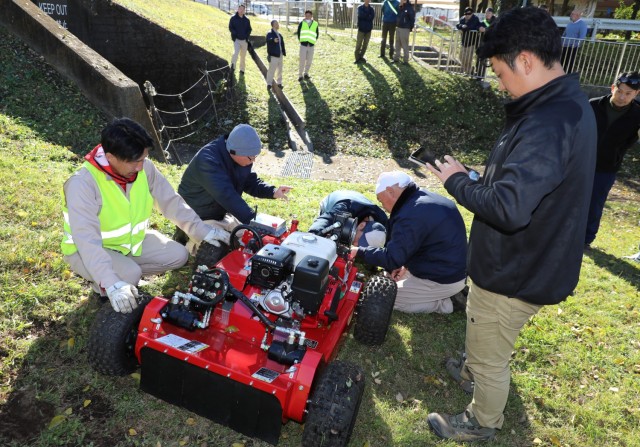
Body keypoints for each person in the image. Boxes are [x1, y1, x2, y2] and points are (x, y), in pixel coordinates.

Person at [424, 7, 597, 441]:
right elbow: (530, 186)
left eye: (500, 73)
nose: (501, 84)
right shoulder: (562, 105)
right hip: (522, 262)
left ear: (525, 60)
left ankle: (482, 420)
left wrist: (457, 182)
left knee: (491, 352)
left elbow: (509, 208)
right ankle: (472, 370)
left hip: (514, 273)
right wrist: (483, 178)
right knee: (483, 336)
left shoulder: (549, 121)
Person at [61, 118, 230, 313]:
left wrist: (203, 232)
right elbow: (87, 240)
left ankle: (122, 271)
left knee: (179, 255)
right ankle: (106, 284)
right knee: (130, 274)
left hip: (129, 243)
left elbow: (171, 202)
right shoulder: (82, 184)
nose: (140, 167)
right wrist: (111, 282)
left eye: (143, 159)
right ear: (111, 157)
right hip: (85, 251)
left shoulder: (145, 168)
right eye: (135, 161)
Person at [351, 171, 468, 314]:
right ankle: (446, 292)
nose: (383, 206)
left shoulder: (410, 215)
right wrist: (404, 264)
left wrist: (359, 251)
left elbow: (392, 258)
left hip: (441, 278)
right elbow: (423, 242)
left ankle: (446, 303)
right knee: (388, 280)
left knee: (382, 297)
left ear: (390, 192)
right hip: (447, 267)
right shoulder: (422, 199)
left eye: (381, 201)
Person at [177, 124, 292, 253]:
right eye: (251, 157)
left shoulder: (241, 156)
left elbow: (250, 181)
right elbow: (227, 196)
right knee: (220, 249)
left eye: (255, 156)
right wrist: (254, 221)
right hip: (197, 218)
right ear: (234, 151)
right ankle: (186, 241)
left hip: (221, 214)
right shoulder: (207, 161)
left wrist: (272, 191)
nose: (253, 161)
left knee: (251, 239)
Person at [585, 72, 640, 248]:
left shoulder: (638, 116)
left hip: (606, 168)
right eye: (620, 91)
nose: (622, 97)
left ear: (636, 94)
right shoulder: (593, 105)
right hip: (579, 163)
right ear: (613, 87)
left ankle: (586, 239)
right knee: (567, 200)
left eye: (628, 94)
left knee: (594, 205)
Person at [308, 190, 389, 245]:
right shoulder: (347, 207)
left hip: (358, 199)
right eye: (360, 241)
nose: (356, 245)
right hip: (337, 199)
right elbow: (327, 218)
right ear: (361, 225)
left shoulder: (384, 221)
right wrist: (313, 235)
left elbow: (392, 245)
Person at [456, 6, 481, 75]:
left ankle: (468, 72)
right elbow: (458, 25)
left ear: (472, 13)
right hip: (464, 41)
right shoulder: (462, 18)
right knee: (461, 57)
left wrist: (465, 27)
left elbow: (472, 26)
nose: (467, 15)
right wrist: (462, 26)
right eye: (465, 14)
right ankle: (470, 69)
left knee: (468, 59)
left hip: (472, 42)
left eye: (468, 14)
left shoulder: (475, 18)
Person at [561, 9, 587, 73]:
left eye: (572, 14)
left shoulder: (582, 24)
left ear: (577, 15)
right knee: (562, 62)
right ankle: (561, 75)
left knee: (570, 63)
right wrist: (561, 42)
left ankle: (568, 76)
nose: (570, 15)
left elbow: (582, 37)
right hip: (564, 46)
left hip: (572, 47)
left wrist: (575, 45)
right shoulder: (570, 23)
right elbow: (564, 34)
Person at [229, 5, 252, 75]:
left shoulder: (247, 20)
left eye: (243, 9)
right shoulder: (233, 18)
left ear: (244, 10)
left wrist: (246, 37)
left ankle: (242, 70)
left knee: (243, 56)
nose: (241, 10)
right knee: (235, 53)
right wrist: (235, 34)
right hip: (236, 40)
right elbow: (230, 27)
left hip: (244, 41)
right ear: (238, 9)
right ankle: (232, 67)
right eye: (240, 9)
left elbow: (249, 29)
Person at [297, 10, 319, 81]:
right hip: (303, 45)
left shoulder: (315, 24)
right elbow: (298, 33)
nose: (307, 17)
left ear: (311, 16)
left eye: (309, 15)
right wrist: (301, 41)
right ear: (305, 16)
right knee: (302, 61)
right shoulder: (301, 23)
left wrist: (313, 41)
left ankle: (306, 73)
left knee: (309, 61)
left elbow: (317, 34)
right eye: (306, 15)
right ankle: (300, 75)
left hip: (311, 45)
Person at [266, 20, 286, 90]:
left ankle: (279, 83)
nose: (278, 24)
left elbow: (281, 44)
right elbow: (268, 40)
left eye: (278, 23)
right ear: (273, 25)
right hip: (273, 55)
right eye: (276, 24)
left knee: (280, 69)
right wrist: (273, 40)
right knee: (271, 70)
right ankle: (269, 84)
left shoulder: (279, 34)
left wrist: (283, 52)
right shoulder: (270, 33)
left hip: (280, 54)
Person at [393, 0, 415, 65]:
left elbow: (412, 19)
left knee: (404, 44)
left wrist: (410, 28)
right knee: (397, 43)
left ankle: (405, 60)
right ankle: (396, 58)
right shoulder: (401, 6)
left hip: (405, 28)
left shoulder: (409, 7)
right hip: (398, 27)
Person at [476, 8, 496, 78]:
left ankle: (494, 76)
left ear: (492, 14)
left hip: (492, 44)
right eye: (486, 13)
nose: (487, 15)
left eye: (489, 13)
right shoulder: (483, 21)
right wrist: (479, 28)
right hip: (483, 43)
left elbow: (494, 29)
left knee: (491, 60)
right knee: (481, 58)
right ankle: (479, 75)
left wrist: (485, 29)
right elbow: (477, 25)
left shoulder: (496, 21)